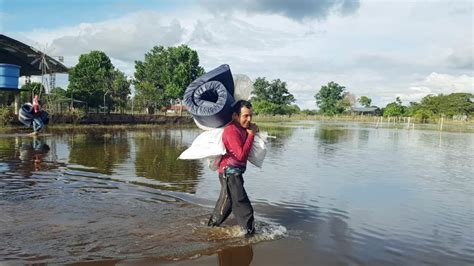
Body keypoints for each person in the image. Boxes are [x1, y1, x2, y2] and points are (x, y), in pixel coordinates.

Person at [207, 100, 258, 236]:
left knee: (225, 205)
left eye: (251, 116)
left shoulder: (242, 129)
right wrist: (251, 134)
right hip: (230, 173)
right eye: (245, 116)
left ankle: (210, 229)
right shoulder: (231, 130)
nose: (249, 119)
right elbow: (241, 156)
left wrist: (251, 132)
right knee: (244, 207)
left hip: (233, 173)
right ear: (235, 116)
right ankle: (249, 235)